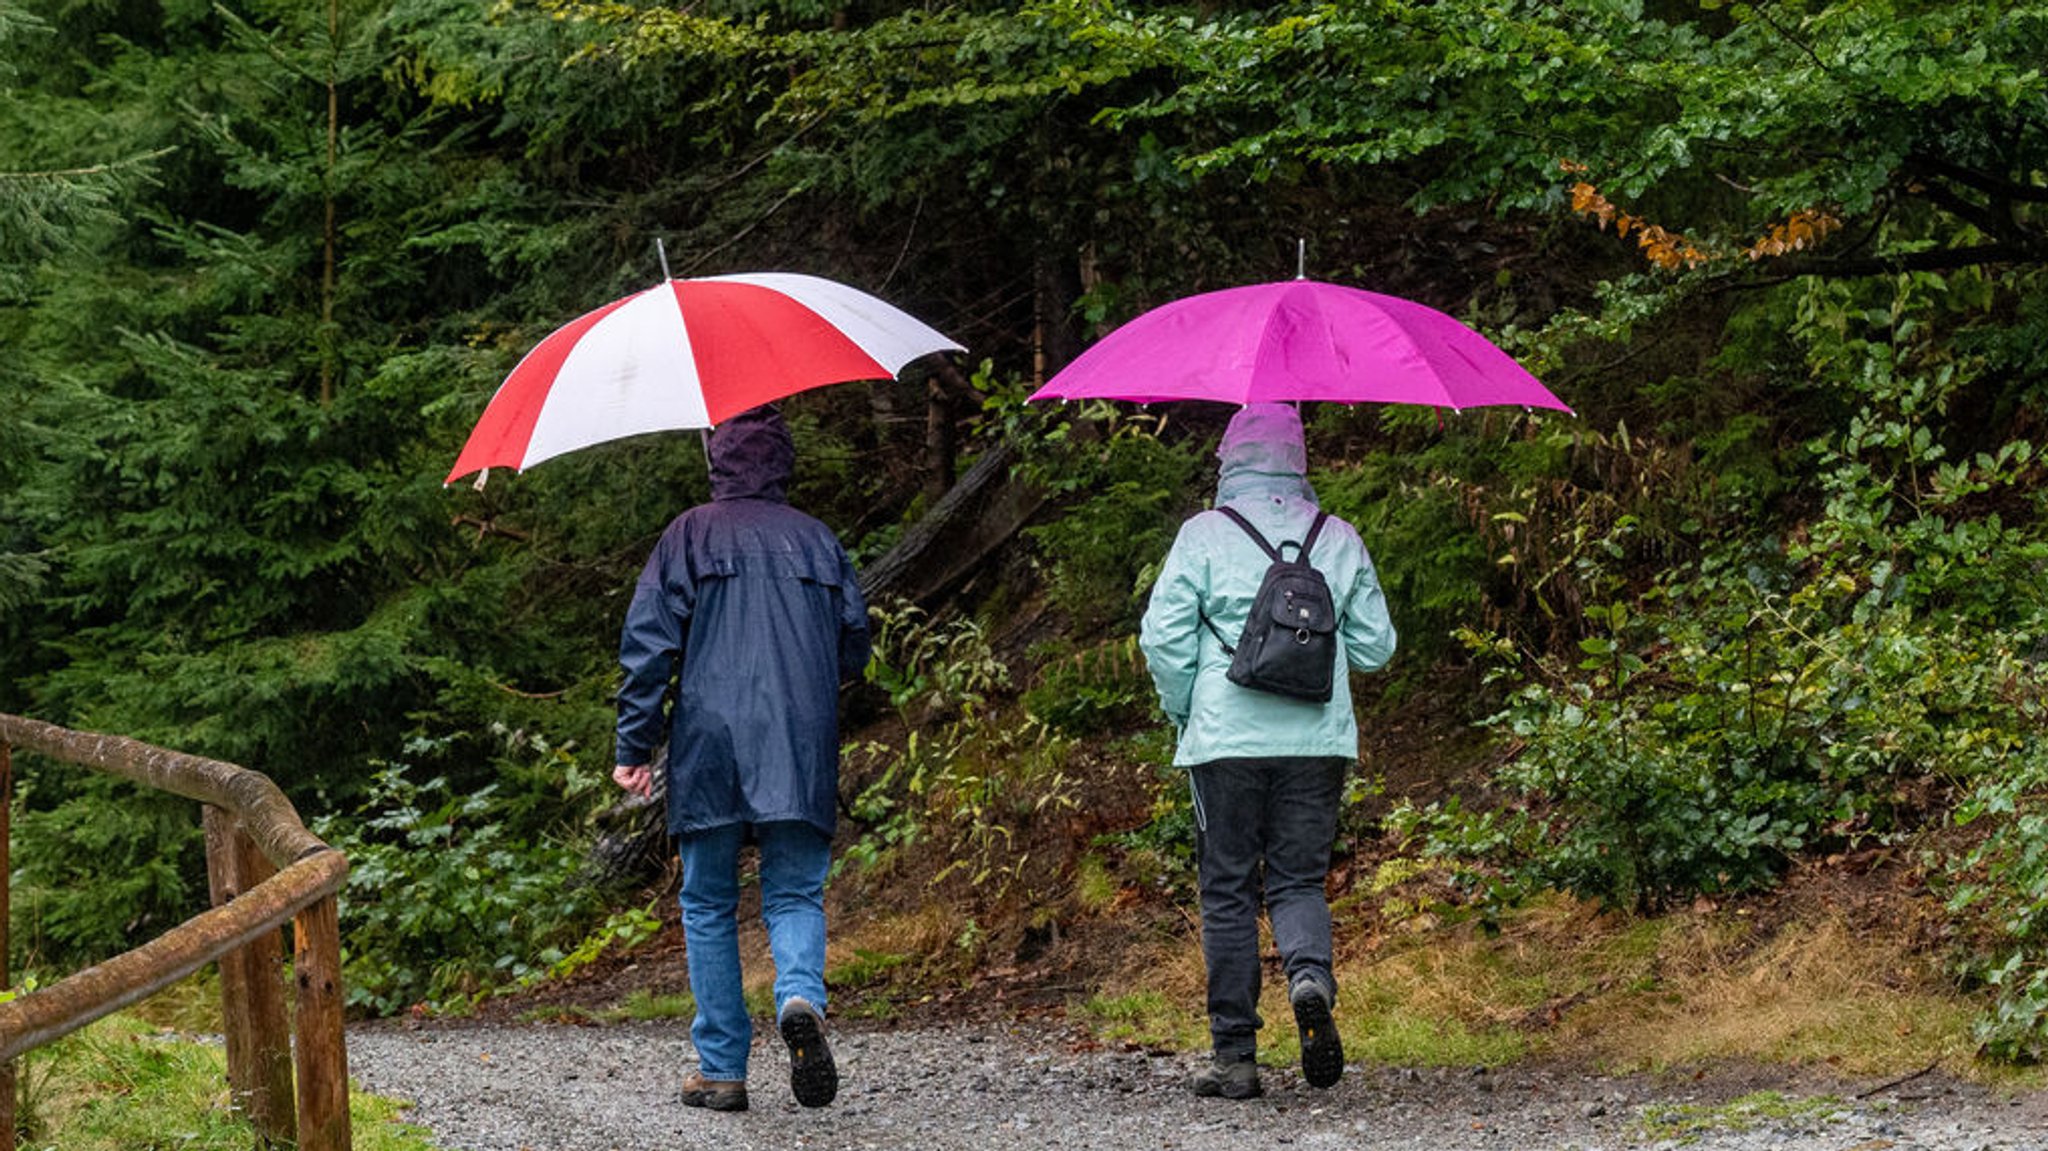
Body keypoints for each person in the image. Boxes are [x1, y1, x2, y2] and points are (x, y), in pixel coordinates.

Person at [612, 405, 873, 1114]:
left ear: (717, 460)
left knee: (707, 901)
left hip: (710, 742)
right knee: (793, 890)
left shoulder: (689, 534)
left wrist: (634, 746)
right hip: (798, 739)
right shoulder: (819, 541)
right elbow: (856, 648)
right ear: (783, 461)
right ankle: (799, 995)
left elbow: (648, 647)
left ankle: (722, 1067)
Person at [1138, 402, 1397, 1100]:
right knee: (1297, 880)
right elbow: (1377, 647)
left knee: (1227, 888)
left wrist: (1185, 707)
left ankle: (1235, 1057)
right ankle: (1309, 977)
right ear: (1300, 459)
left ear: (1229, 459)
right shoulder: (1337, 535)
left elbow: (1161, 638)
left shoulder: (1203, 535)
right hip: (1316, 740)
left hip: (1224, 740)